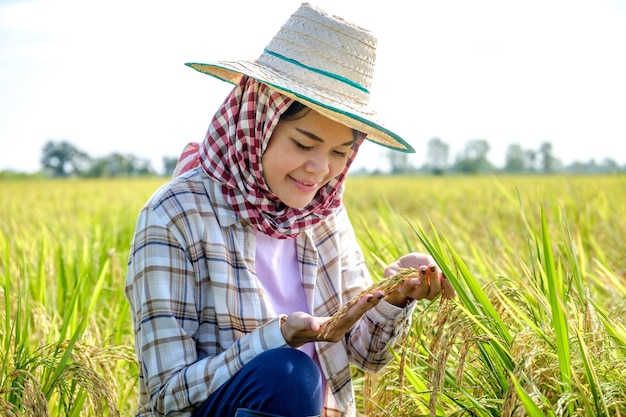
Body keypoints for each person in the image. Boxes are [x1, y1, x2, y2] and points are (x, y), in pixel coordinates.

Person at [124, 3, 456, 417]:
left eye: (339, 152)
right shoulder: (175, 215)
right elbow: (166, 390)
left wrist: (393, 296)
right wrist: (276, 339)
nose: (320, 170)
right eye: (303, 144)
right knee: (288, 372)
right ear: (259, 122)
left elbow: (367, 356)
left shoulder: (323, 215)